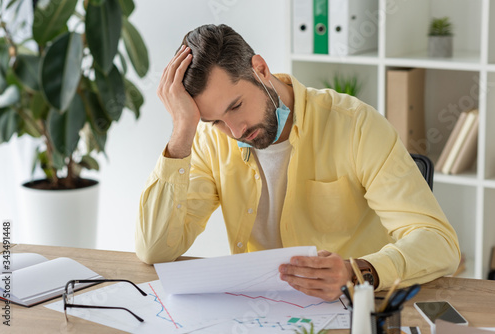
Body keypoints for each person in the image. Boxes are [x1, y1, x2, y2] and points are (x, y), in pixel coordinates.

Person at [135, 24, 460, 301]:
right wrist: (182, 133)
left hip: (349, 308)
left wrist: (356, 271)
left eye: (235, 106)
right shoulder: (211, 141)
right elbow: (155, 250)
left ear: (260, 69)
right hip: (260, 311)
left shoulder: (355, 125)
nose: (235, 132)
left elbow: (439, 243)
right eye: (214, 120)